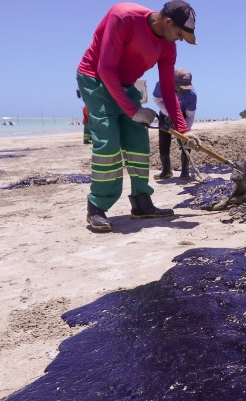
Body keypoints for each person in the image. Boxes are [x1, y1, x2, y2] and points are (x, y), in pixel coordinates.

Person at [76, 1, 201, 232]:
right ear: (167, 22)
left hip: (125, 84)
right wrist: (133, 111)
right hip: (95, 78)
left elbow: (168, 90)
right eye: (179, 34)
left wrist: (184, 130)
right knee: (109, 144)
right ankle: (96, 208)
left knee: (138, 143)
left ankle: (142, 203)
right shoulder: (123, 16)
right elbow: (105, 69)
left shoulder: (168, 47)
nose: (180, 39)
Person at [152, 67, 197, 180]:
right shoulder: (161, 85)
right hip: (165, 113)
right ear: (174, 82)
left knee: (186, 141)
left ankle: (185, 171)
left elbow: (190, 115)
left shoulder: (191, 95)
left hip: (183, 115)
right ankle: (166, 171)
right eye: (182, 87)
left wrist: (185, 131)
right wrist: (170, 115)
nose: (184, 90)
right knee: (164, 142)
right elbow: (157, 100)